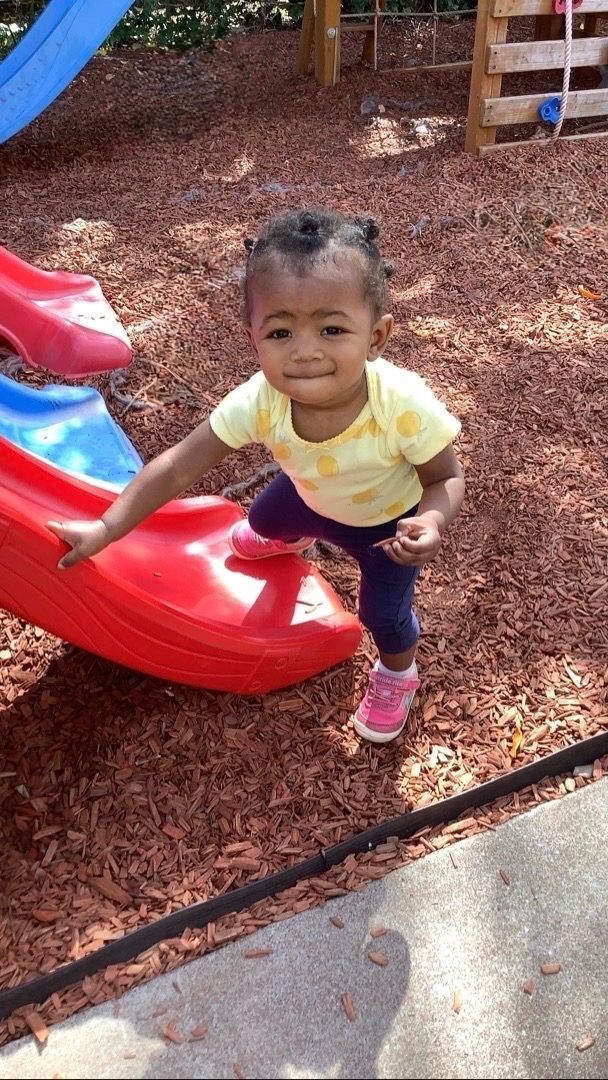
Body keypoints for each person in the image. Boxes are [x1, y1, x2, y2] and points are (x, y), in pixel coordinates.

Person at [48, 207, 465, 743]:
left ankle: (397, 673)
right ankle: (292, 535)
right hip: (309, 496)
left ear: (377, 336)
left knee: (382, 614)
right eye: (281, 331)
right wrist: (108, 527)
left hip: (386, 527)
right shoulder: (260, 400)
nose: (305, 351)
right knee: (264, 520)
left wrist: (430, 522)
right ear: (254, 339)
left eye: (333, 329)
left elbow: (444, 477)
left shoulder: (402, 405)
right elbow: (178, 465)